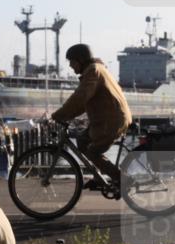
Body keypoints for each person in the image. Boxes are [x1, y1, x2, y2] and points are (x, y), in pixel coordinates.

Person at [51, 43, 132, 185]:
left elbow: (80, 98)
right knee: (82, 141)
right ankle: (98, 177)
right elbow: (84, 102)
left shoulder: (93, 71)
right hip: (110, 118)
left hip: (111, 121)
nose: (70, 65)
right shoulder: (98, 69)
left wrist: (59, 115)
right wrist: (68, 114)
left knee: (93, 152)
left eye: (71, 61)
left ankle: (123, 180)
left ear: (80, 60)